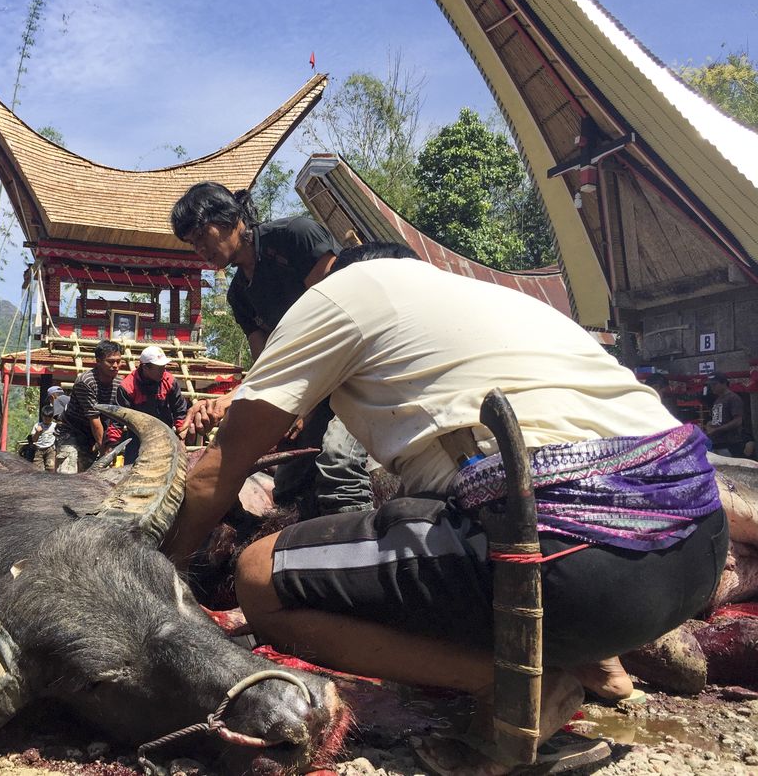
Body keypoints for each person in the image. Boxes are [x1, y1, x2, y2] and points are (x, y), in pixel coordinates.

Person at [163, 243, 727, 772]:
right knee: (443, 498)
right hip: (696, 549)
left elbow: (223, 465)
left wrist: (158, 572)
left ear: (337, 273)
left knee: (259, 575)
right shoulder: (494, 301)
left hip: (570, 555)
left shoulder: (339, 294)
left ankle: (517, 688)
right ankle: (601, 660)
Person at [171, 181, 373, 516]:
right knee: (288, 487)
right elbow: (268, 364)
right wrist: (233, 404)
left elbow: (338, 321)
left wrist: (285, 405)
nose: (200, 250)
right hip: (314, 391)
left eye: (201, 235)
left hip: (359, 370)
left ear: (229, 217)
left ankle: (364, 560)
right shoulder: (239, 294)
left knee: (339, 462)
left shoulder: (294, 236)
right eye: (192, 244)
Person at [107, 345, 188, 461]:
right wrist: (111, 444)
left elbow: (179, 410)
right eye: (159, 367)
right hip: (138, 439)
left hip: (165, 437)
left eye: (164, 367)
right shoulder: (128, 387)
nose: (163, 371)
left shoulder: (169, 381)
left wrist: (181, 436)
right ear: (145, 367)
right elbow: (117, 419)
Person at [55, 340, 122, 473]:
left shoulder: (120, 384)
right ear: (98, 361)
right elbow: (94, 418)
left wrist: (110, 445)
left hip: (92, 437)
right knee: (66, 474)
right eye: (110, 361)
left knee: (87, 478)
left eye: (119, 361)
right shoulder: (85, 381)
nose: (115, 365)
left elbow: (117, 418)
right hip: (71, 432)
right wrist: (104, 451)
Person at [704, 372, 745, 457]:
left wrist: (717, 429)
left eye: (715, 384)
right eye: (710, 385)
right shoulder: (717, 400)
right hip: (717, 443)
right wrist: (710, 424)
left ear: (724, 383)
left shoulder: (733, 398)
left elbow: (738, 421)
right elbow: (718, 420)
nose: (712, 387)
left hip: (730, 443)